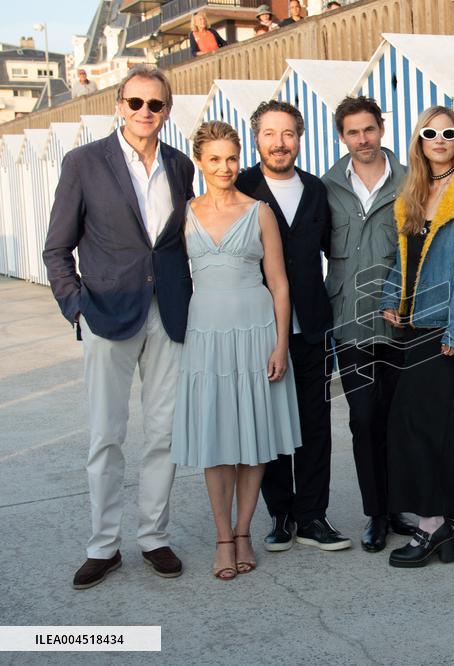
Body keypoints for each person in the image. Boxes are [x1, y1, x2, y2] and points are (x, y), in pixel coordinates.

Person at [43, 65, 195, 589]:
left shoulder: (180, 165)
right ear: (119, 105)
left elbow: (175, 242)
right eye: (135, 102)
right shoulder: (84, 162)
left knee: (164, 432)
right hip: (107, 312)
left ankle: (153, 536)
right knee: (106, 435)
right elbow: (57, 248)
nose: (144, 112)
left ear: (167, 110)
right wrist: (76, 306)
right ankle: (103, 546)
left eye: (155, 104)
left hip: (168, 313)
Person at [170, 120, 302, 580]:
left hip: (255, 331)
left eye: (231, 158)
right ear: (200, 162)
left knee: (254, 438)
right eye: (214, 159)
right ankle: (223, 537)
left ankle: (244, 531)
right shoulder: (184, 213)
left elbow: (279, 283)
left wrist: (281, 344)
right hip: (206, 333)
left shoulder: (259, 212)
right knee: (217, 440)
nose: (224, 167)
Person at [379, 106, 454, 568]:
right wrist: (391, 297)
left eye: (449, 133)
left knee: (418, 425)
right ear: (420, 141)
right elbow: (402, 254)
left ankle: (431, 525)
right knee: (446, 422)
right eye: (431, 133)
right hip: (411, 324)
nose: (440, 139)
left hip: (444, 325)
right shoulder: (413, 190)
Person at [236, 101, 350, 553]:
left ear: (299, 138)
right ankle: (280, 514)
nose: (279, 143)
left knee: (315, 424)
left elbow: (333, 252)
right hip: (260, 329)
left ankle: (313, 516)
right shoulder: (241, 187)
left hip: (312, 328)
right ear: (256, 139)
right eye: (269, 133)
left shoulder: (316, 190)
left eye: (288, 133)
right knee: (270, 424)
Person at [321, 96, 415, 553]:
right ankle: (376, 513)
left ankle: (398, 506)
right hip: (349, 322)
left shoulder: (410, 181)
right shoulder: (327, 187)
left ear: (381, 128)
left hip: (398, 320)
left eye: (369, 129)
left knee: (397, 418)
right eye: (353, 132)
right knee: (363, 417)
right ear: (343, 136)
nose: (363, 139)